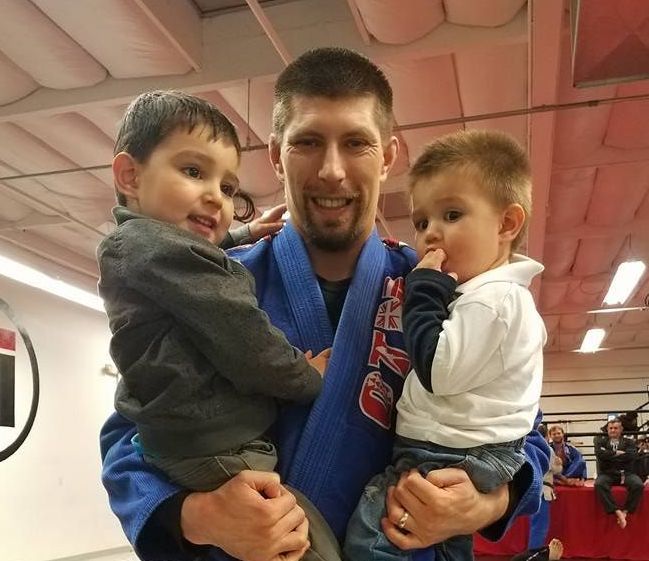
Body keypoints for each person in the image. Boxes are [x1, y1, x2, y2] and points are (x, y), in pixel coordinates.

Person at [100, 47, 550, 561]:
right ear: (275, 154)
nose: (332, 171)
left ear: (388, 156)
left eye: (356, 143)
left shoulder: (447, 292)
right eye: (308, 142)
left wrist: (487, 501)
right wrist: (198, 516)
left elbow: (522, 432)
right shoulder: (211, 282)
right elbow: (130, 439)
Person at [98, 90, 341, 560]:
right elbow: (249, 343)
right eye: (193, 171)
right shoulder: (177, 259)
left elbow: (184, 252)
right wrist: (191, 516)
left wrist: (244, 231)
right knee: (308, 544)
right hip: (219, 449)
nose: (215, 195)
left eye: (228, 188)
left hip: (202, 443)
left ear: (390, 155)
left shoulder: (408, 282)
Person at [343, 129, 547, 561]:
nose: (431, 234)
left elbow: (437, 369)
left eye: (452, 215)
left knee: (374, 537)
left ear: (507, 224)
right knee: (447, 547)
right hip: (453, 449)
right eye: (421, 222)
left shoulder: (493, 300)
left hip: (449, 454)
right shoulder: (479, 297)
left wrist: (422, 291)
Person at [593, 418, 644, 529]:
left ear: (621, 429)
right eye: (610, 428)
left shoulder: (629, 442)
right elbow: (599, 454)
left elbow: (631, 456)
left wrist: (609, 456)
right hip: (607, 473)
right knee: (599, 484)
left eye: (616, 428)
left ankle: (625, 511)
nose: (613, 430)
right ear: (607, 429)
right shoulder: (600, 441)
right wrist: (617, 453)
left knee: (638, 485)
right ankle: (617, 511)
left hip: (626, 473)